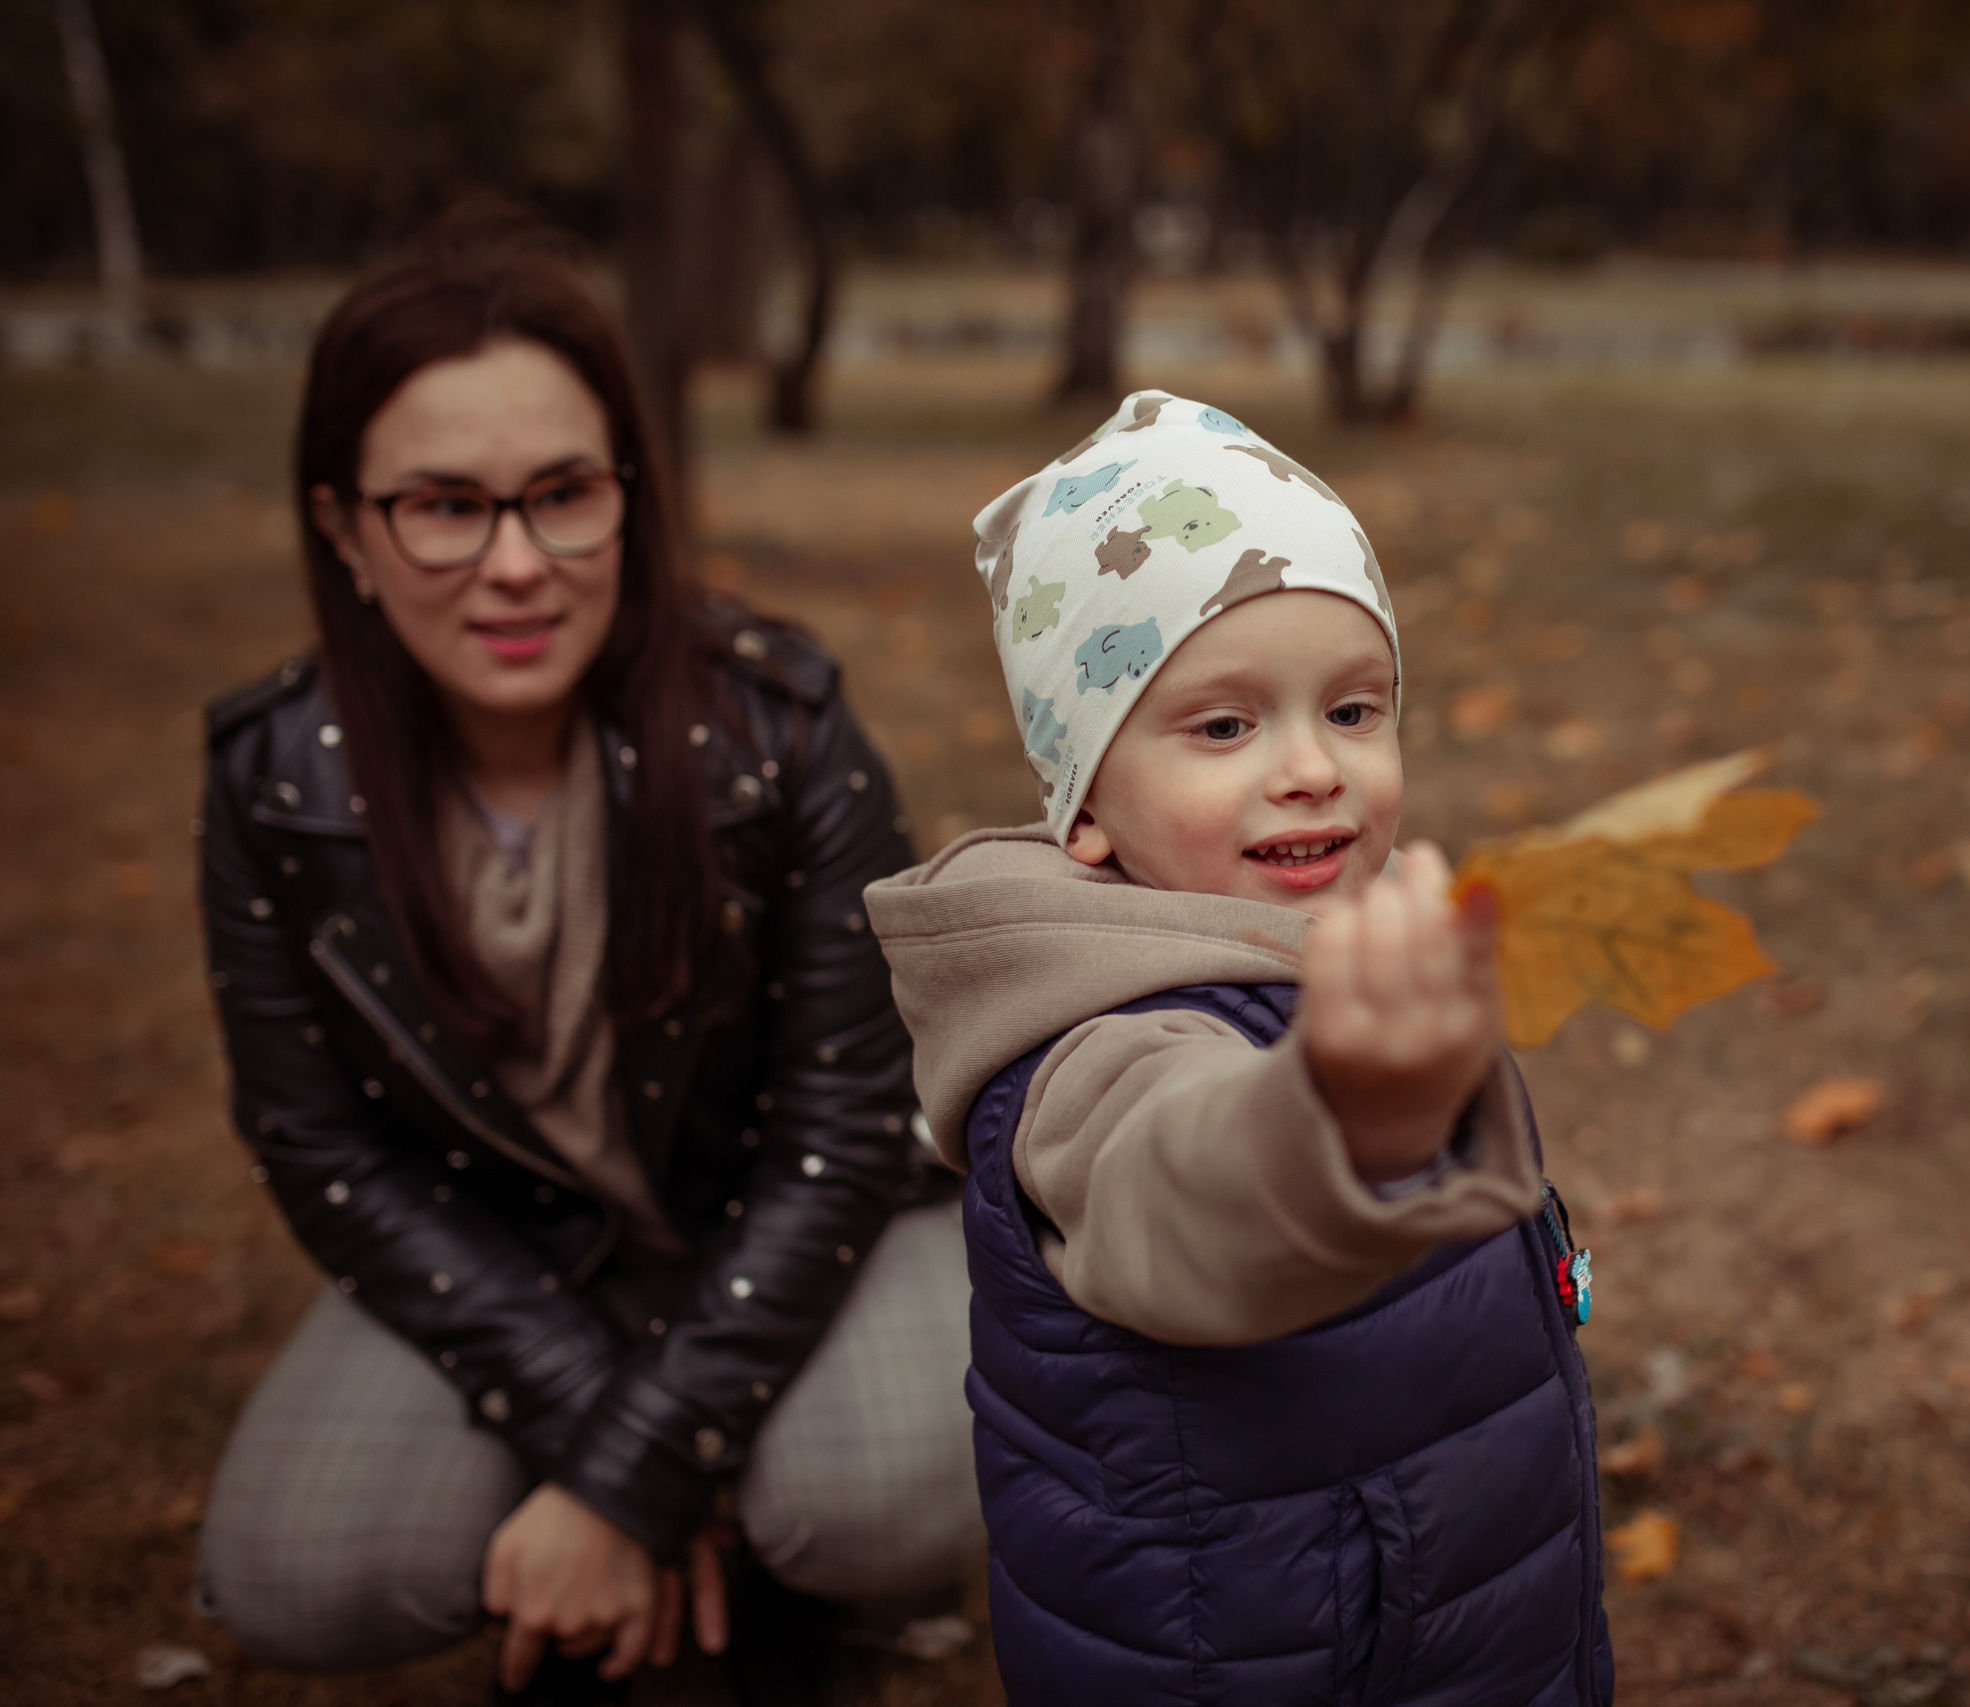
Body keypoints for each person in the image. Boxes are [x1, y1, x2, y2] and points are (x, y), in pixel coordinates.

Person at [191, 227, 978, 1705]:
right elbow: (320, 1150)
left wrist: (630, 1481)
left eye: (562, 495)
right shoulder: (271, 785)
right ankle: (652, 1533)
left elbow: (841, 1134)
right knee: (296, 1577)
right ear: (344, 530)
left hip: (806, 1227)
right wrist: (618, 1453)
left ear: (628, 495)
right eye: (440, 506)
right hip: (515, 1260)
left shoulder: (783, 733)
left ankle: (756, 1557)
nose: (512, 565)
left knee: (871, 1499)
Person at [866, 393, 1613, 1705]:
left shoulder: (1333, 953)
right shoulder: (1092, 1052)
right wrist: (1338, 1121)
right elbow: (1193, 1188)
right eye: (1224, 727)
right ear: (1087, 805)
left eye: (1354, 709)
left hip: (1459, 1613)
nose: (1313, 768)